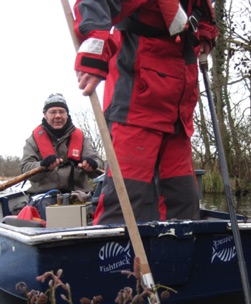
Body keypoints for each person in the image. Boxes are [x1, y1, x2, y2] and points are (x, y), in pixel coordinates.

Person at [72, 0, 218, 224]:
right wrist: (95, 50)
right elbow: (94, 4)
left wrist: (205, 32)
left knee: (184, 203)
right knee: (124, 204)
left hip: (179, 112)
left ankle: (177, 257)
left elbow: (201, 13)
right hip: (136, 107)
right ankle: (112, 258)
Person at [21, 93, 104, 197]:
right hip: (44, 196)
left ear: (67, 114)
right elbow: (25, 168)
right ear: (45, 115)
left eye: (62, 112)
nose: (58, 116)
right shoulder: (32, 140)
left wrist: (93, 165)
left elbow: (99, 165)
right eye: (53, 112)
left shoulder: (82, 138)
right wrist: (42, 165)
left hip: (80, 195)